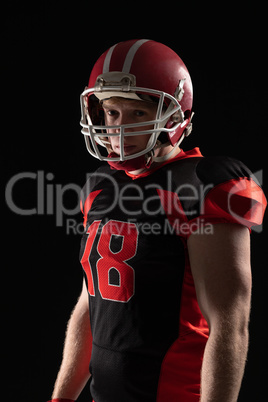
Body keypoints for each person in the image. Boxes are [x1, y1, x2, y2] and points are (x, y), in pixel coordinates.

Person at [49, 39, 267, 402]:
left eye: (137, 113)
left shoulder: (201, 185)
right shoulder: (101, 186)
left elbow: (229, 325)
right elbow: (92, 304)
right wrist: (60, 398)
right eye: (112, 113)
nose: (120, 129)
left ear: (174, 117)